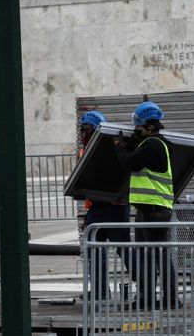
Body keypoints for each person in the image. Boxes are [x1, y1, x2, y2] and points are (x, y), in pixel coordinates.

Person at [114, 101, 182, 310]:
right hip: (147, 209)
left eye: (138, 126)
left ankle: (169, 299)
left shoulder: (154, 144)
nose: (136, 130)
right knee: (145, 255)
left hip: (155, 210)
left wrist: (120, 147)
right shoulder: (154, 144)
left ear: (149, 126)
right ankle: (147, 298)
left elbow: (130, 163)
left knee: (158, 255)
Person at [78, 110, 133, 301]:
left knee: (123, 249)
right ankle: (101, 291)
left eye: (85, 129)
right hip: (97, 206)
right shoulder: (86, 149)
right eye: (82, 129)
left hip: (114, 206)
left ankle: (146, 288)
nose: (83, 133)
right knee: (94, 247)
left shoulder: (109, 147)